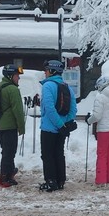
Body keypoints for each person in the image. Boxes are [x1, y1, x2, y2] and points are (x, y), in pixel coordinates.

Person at [39, 60, 77, 192]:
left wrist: (59, 125)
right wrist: (66, 124)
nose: (45, 72)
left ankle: (50, 181)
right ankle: (60, 180)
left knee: (47, 154)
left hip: (49, 128)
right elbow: (73, 109)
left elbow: (49, 108)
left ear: (52, 71)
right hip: (63, 129)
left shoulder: (48, 86)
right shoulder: (67, 87)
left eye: (47, 70)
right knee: (59, 153)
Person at [85, 76, 109, 187]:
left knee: (102, 154)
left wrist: (89, 120)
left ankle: (101, 180)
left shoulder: (100, 97)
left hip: (104, 130)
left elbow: (97, 116)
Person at [0, 64, 25, 187]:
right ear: (10, 76)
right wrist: (21, 127)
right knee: (9, 152)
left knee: (6, 150)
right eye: (17, 75)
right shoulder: (13, 90)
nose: (18, 78)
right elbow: (18, 110)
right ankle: (4, 177)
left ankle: (10, 171)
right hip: (9, 126)